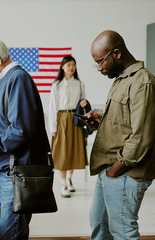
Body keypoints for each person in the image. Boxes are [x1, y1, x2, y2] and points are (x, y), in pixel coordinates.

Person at [0, 36, 49, 240]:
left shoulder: (18, 79)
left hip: (15, 174)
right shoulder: (4, 82)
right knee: (1, 233)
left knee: (9, 235)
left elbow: (21, 130)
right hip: (4, 173)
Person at [88, 30, 155, 239]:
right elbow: (125, 123)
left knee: (123, 232)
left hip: (125, 173)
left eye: (101, 62)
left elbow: (142, 136)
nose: (99, 68)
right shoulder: (121, 80)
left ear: (116, 53)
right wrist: (100, 120)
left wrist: (116, 170)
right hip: (110, 170)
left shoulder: (142, 82)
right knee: (99, 226)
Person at [48, 56, 89, 198]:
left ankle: (70, 180)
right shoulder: (57, 85)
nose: (71, 67)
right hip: (62, 119)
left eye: (73, 65)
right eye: (68, 65)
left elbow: (83, 102)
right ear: (62, 67)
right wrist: (53, 127)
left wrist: (84, 104)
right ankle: (63, 183)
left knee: (74, 150)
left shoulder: (80, 84)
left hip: (76, 119)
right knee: (63, 152)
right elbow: (53, 107)